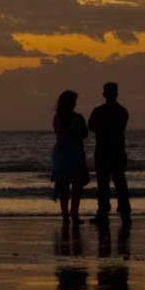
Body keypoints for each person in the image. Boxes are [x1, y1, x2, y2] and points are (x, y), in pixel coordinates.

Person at [88, 81, 131, 225]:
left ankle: (103, 212)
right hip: (117, 151)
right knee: (120, 183)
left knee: (104, 184)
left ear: (104, 94)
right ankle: (124, 212)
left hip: (104, 151)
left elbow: (91, 127)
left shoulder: (99, 111)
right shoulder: (122, 111)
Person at [50, 89, 89, 225]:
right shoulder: (77, 118)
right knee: (75, 187)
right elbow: (85, 134)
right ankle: (73, 214)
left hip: (62, 154)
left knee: (64, 187)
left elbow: (58, 134)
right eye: (74, 101)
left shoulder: (58, 118)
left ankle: (66, 215)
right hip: (73, 153)